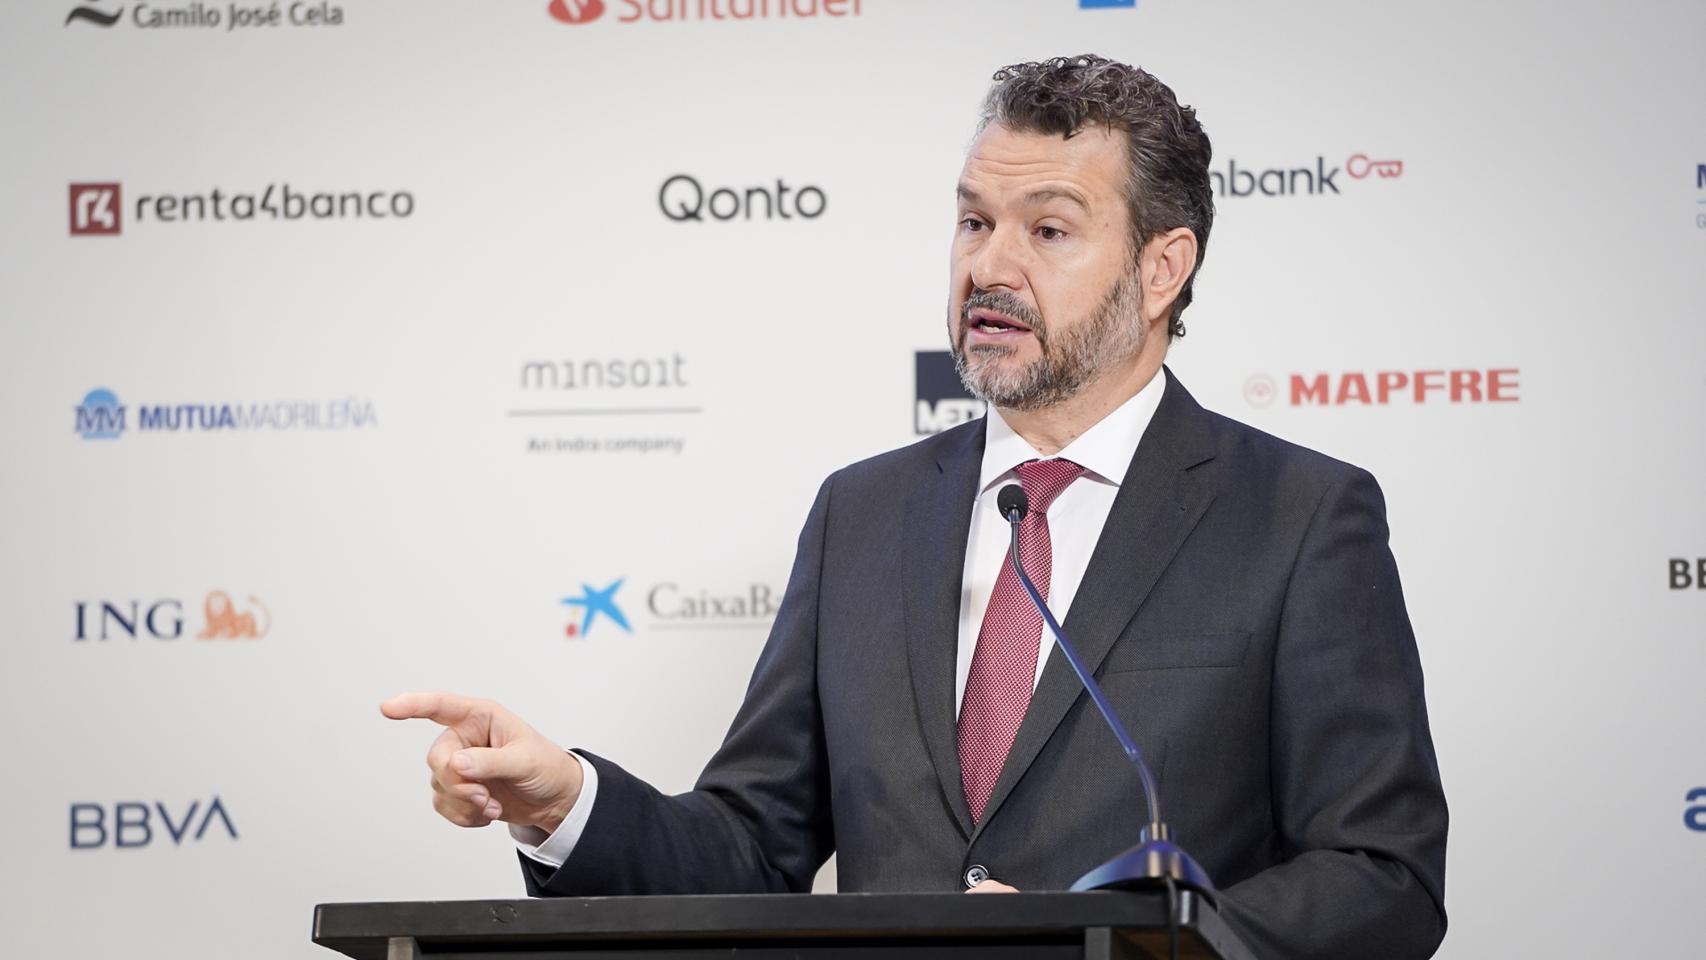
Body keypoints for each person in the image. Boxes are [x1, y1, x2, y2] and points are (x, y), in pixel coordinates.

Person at [382, 55, 1449, 959]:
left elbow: (1380, 878)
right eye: (974, 221)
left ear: (1161, 267)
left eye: (1048, 231)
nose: (988, 264)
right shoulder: (864, 513)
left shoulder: (1299, 517)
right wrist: (565, 803)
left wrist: (1126, 943)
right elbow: (755, 846)